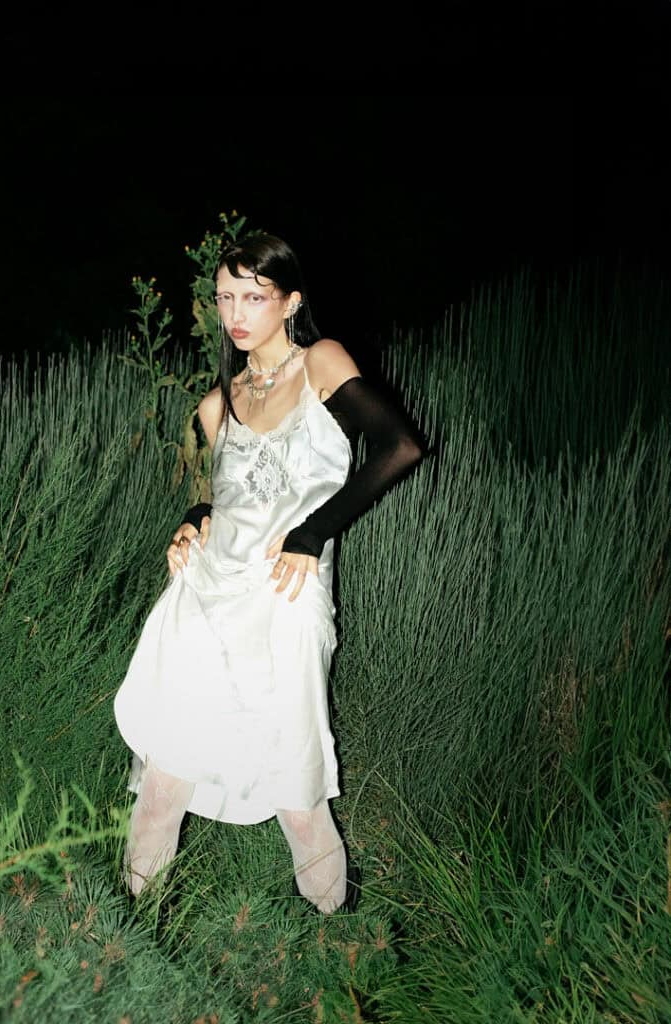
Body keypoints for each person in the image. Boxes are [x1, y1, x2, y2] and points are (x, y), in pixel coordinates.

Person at [113, 232, 430, 914]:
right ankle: (125, 939)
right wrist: (192, 521)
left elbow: (399, 446)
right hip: (204, 592)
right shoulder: (215, 403)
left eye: (253, 297)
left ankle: (340, 948)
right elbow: (218, 495)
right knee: (165, 773)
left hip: (285, 595)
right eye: (225, 297)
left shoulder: (320, 363)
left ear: (288, 302)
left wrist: (312, 533)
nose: (236, 312)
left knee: (295, 784)